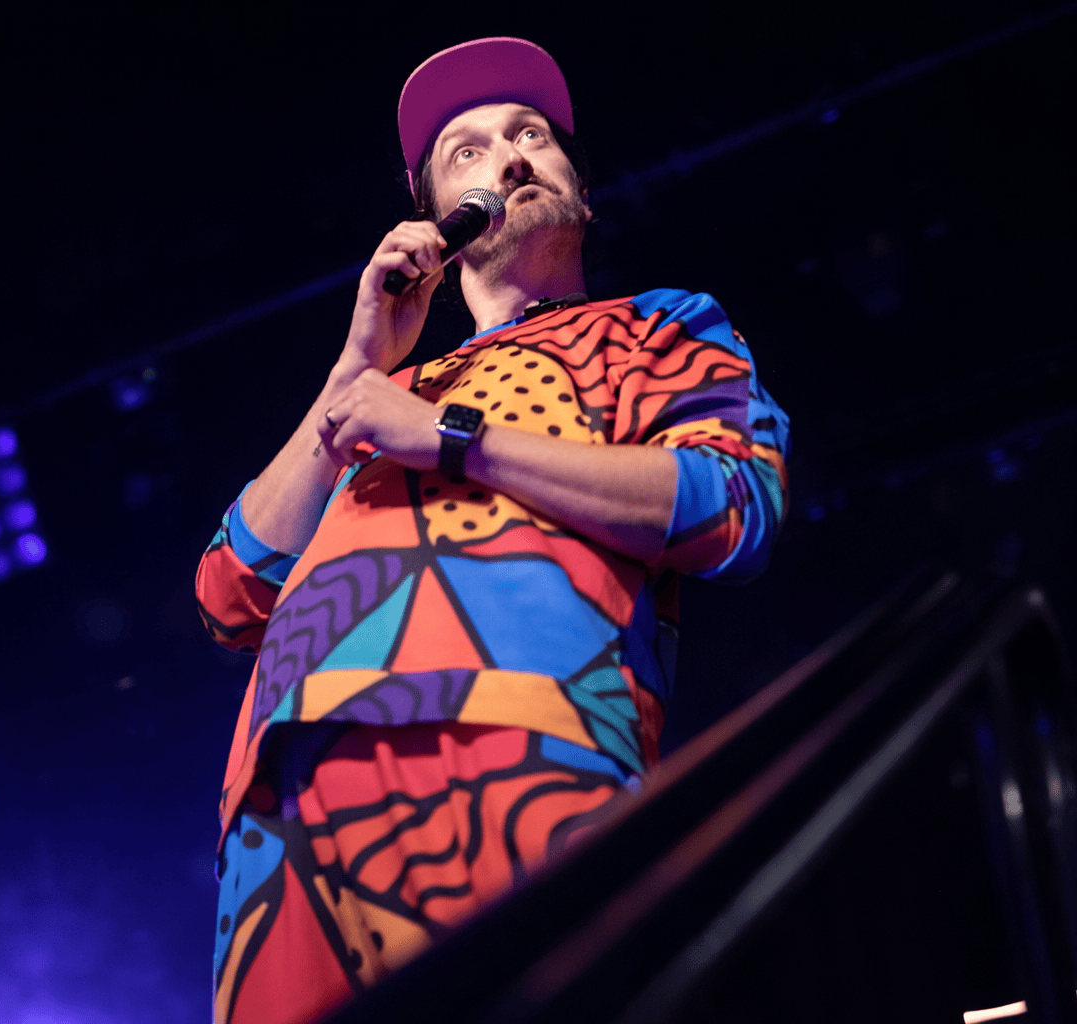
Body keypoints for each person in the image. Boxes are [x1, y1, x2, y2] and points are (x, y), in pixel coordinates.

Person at [195, 37, 790, 1024]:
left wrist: (450, 437)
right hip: (278, 794)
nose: (508, 157)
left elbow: (732, 504)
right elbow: (230, 588)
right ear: (439, 219)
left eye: (532, 138)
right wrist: (358, 369)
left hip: (512, 728)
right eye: (466, 151)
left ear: (580, 192)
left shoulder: (659, 326)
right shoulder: (388, 389)